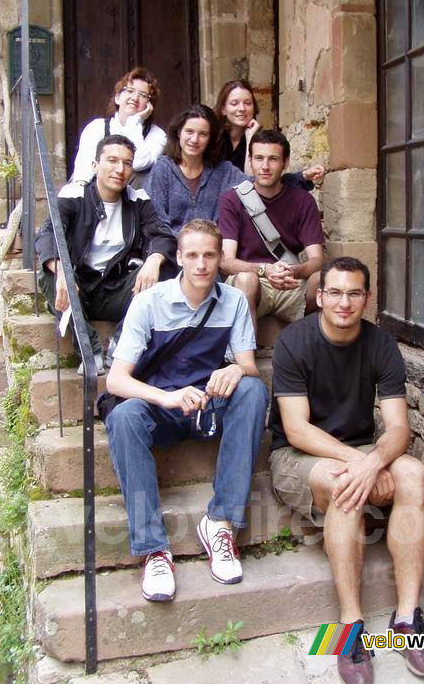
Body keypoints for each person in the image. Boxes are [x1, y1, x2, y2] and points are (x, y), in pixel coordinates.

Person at [269, 257, 424, 683]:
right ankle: (351, 628)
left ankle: (406, 621)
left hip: (363, 449)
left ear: (366, 298)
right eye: (336, 293)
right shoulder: (294, 341)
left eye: (354, 293)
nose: (344, 303)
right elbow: (297, 429)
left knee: (413, 474)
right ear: (320, 296)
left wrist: (375, 460)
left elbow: (399, 428)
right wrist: (362, 465)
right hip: (299, 457)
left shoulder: (380, 344)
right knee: (346, 482)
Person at [104, 219, 268, 601]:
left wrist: (234, 368)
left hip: (208, 405)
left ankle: (221, 523)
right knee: (124, 416)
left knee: (254, 390)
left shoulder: (234, 301)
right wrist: (167, 397)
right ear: (178, 258)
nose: (201, 264)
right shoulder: (149, 302)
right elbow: (116, 381)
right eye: (191, 255)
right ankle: (154, 549)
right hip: (161, 405)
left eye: (209, 255)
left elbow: (249, 366)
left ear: (219, 259)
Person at [35, 134, 177, 374]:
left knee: (165, 269)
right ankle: (89, 351)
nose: (119, 169)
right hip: (77, 289)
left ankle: (121, 346)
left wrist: (153, 260)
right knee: (49, 276)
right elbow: (48, 233)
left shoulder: (137, 199)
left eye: (127, 163)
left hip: (116, 290)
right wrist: (61, 272)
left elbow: (163, 235)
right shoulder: (74, 196)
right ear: (95, 165)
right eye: (112, 160)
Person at [218, 129, 325, 329]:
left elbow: (317, 259)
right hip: (253, 282)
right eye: (259, 158)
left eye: (273, 159)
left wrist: (295, 271)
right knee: (245, 280)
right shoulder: (231, 200)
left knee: (328, 280)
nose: (265, 166)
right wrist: (264, 270)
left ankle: (325, 350)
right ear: (250, 161)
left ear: (285, 162)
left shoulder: (303, 201)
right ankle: (244, 354)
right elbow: (225, 261)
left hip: (291, 281)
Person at [144, 104, 246, 237]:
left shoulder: (224, 171)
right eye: (189, 131)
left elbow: (256, 185)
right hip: (171, 250)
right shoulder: (162, 169)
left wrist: (250, 138)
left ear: (210, 139)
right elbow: (155, 221)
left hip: (211, 250)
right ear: (179, 132)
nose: (194, 139)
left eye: (203, 134)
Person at [215, 78, 325, 183]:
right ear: (223, 109)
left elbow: (253, 180)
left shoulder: (261, 139)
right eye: (234, 103)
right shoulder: (213, 139)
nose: (242, 108)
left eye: (248, 103)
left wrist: (250, 138)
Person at [71, 66, 166, 188]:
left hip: (132, 200)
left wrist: (134, 122)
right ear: (117, 97)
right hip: (96, 196)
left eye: (142, 95)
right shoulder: (98, 127)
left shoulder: (157, 134)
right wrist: (79, 192)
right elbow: (84, 167)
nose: (135, 98)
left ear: (149, 105)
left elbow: (138, 163)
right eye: (130, 91)